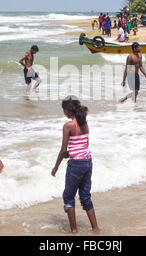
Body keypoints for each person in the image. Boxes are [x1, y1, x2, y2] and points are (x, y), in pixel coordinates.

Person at [51, 96, 100, 234]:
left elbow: (63, 150)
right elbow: (84, 145)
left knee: (68, 197)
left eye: (64, 110)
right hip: (88, 161)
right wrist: (71, 153)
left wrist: (55, 167)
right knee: (85, 196)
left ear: (68, 110)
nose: (64, 113)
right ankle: (96, 228)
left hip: (76, 165)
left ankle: (74, 231)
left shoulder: (68, 126)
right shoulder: (84, 123)